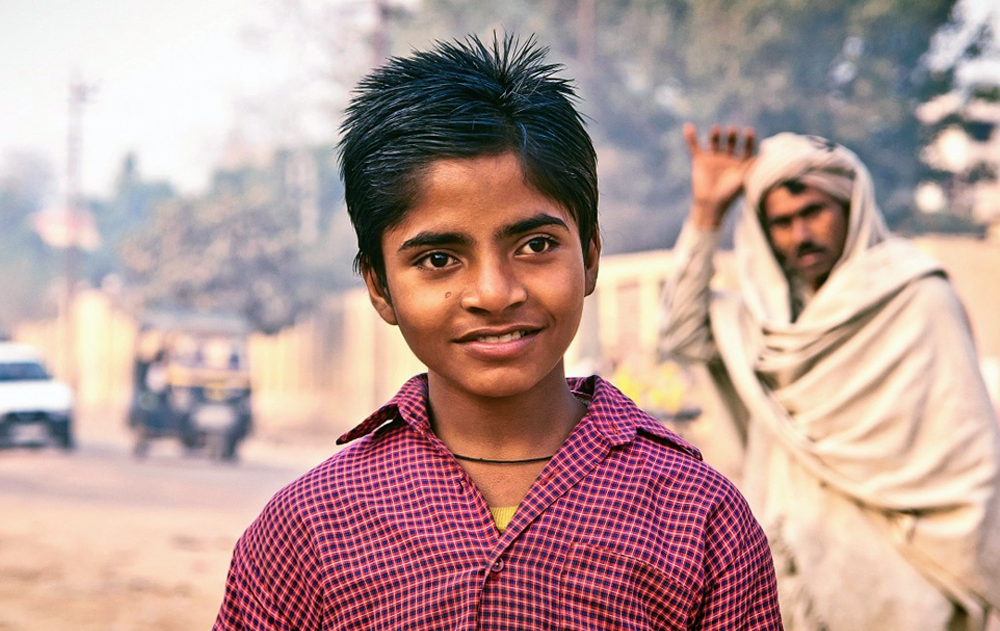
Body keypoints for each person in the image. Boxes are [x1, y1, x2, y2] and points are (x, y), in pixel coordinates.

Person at [213, 36, 781, 630]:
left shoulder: (699, 517)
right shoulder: (309, 528)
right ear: (380, 287)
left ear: (589, 258)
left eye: (535, 245)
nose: (494, 292)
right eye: (438, 259)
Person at [659, 124, 1000, 630]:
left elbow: (968, 458)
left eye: (813, 213)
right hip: (795, 585)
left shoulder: (916, 297)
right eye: (781, 222)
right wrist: (707, 214)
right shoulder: (765, 327)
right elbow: (680, 332)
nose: (800, 235)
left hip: (905, 584)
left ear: (850, 209)